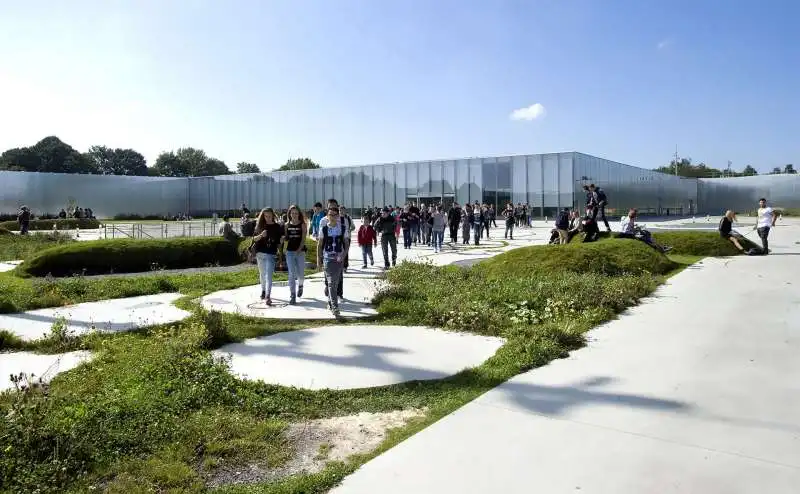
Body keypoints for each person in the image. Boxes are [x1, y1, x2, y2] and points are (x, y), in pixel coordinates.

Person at [318, 205, 346, 316]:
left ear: (338, 216)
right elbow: (319, 245)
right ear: (327, 216)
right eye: (330, 215)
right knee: (331, 282)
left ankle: (330, 301)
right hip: (328, 258)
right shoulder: (323, 229)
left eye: (335, 215)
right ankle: (335, 307)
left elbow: (346, 244)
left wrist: (343, 256)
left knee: (335, 283)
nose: (333, 217)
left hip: (339, 258)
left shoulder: (342, 228)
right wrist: (318, 259)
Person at [252, 208, 284, 305]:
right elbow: (254, 239)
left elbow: (279, 242)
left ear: (273, 216)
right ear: (263, 216)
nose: (268, 218)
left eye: (269, 216)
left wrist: (281, 242)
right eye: (265, 216)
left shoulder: (277, 227)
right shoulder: (260, 225)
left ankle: (268, 296)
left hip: (271, 253)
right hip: (260, 253)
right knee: (262, 273)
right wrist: (261, 235)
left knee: (269, 275)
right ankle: (263, 290)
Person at [284, 205, 307, 305]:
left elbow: (303, 239)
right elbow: (286, 238)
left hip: (300, 252)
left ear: (299, 214)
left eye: (296, 213)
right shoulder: (286, 225)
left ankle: (301, 285)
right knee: (291, 274)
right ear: (289, 214)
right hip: (289, 252)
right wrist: (282, 239)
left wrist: (299, 249)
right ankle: (292, 295)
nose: (294, 215)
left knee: (300, 274)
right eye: (292, 213)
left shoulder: (302, 224)